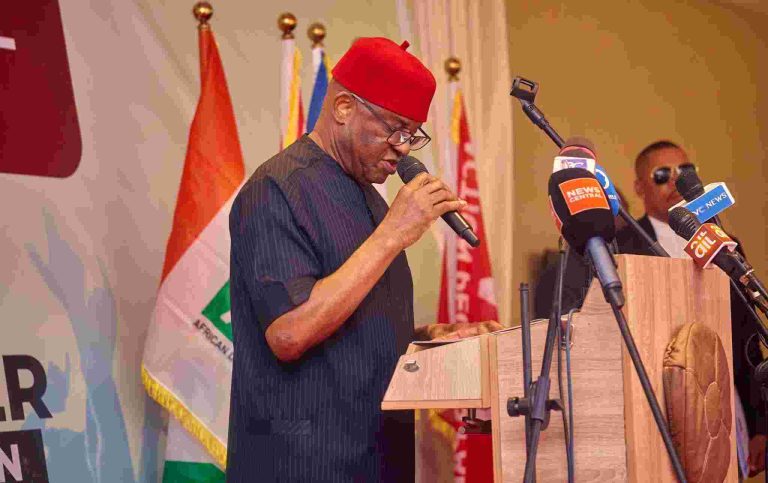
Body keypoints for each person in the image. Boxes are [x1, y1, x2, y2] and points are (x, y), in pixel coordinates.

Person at [226, 37, 500, 482]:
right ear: (344, 108)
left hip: (379, 460)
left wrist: (437, 338)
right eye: (395, 128)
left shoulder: (371, 200)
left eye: (412, 134)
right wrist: (392, 235)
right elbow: (290, 332)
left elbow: (359, 332)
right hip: (302, 465)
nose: (403, 147)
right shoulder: (277, 188)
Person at [616, 140, 766, 478]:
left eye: (684, 172)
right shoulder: (625, 246)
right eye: (661, 175)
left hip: (723, 399)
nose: (674, 182)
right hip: (657, 407)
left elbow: (745, 337)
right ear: (640, 187)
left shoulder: (723, 241)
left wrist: (761, 423)